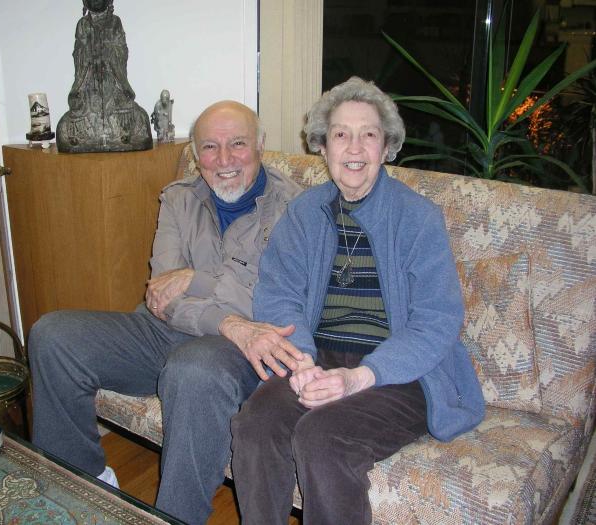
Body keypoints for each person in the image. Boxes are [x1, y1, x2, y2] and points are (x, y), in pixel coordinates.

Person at [29, 100, 304, 524]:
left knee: (191, 367)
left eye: (238, 144)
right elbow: (162, 295)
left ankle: (175, 518)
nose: (225, 159)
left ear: (261, 146)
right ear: (195, 154)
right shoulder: (178, 198)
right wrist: (225, 315)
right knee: (53, 335)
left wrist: (195, 280)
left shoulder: (294, 208)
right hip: (162, 330)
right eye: (210, 147)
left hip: (239, 352)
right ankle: (84, 490)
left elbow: (269, 301)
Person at [230, 77, 485, 525]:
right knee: (256, 422)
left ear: (386, 147)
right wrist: (302, 363)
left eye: (368, 134)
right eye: (340, 134)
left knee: (324, 437)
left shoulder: (417, 218)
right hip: (319, 355)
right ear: (322, 147)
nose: (354, 147)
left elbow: (437, 321)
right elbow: (279, 292)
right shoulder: (305, 212)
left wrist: (361, 377)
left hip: (400, 372)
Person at [56, 0, 152, 152]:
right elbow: (78, 53)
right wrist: (88, 53)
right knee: (67, 123)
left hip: (111, 78)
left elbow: (121, 50)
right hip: (89, 81)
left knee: (136, 114)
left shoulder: (115, 22)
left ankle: (122, 133)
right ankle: (83, 135)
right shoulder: (82, 24)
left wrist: (108, 51)